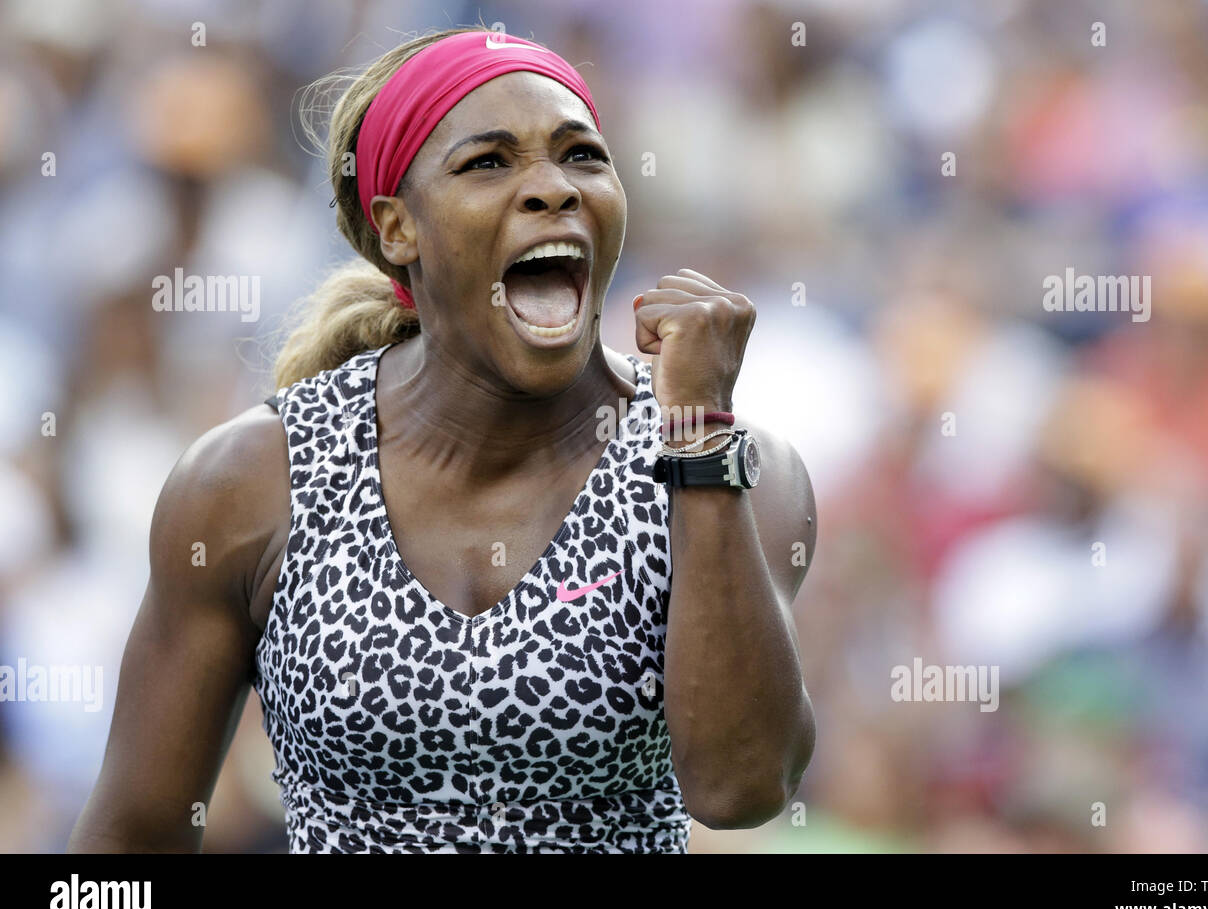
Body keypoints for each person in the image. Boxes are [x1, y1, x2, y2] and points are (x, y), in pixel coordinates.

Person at [67, 25, 817, 853]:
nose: (553, 189)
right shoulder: (251, 480)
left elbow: (742, 786)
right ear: (397, 228)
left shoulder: (733, 466)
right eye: (488, 163)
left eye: (582, 156)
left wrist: (697, 436)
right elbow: (126, 846)